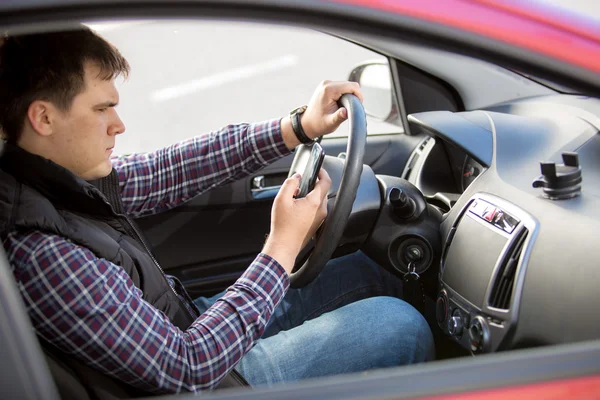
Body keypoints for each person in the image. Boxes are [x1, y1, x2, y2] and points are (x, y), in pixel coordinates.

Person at [0, 27, 434, 395]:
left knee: (371, 268)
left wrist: (296, 127)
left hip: (188, 327)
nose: (119, 124)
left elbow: (171, 170)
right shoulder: (40, 250)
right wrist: (283, 245)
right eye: (101, 108)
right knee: (400, 326)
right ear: (44, 118)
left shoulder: (57, 184)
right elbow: (188, 366)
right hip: (209, 381)